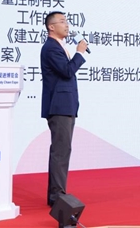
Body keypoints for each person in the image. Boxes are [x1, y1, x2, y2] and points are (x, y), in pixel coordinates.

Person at [41, 11, 88, 207]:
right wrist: (80, 53)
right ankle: (57, 196)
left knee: (63, 150)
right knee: (60, 151)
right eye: (62, 21)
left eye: (67, 21)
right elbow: (67, 71)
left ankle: (57, 193)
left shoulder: (59, 46)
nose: (67, 25)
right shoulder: (51, 48)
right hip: (59, 106)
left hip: (66, 105)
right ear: (51, 27)